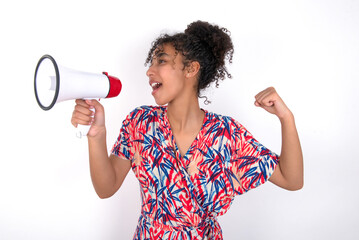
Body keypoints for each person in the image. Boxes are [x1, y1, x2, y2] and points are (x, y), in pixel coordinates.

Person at [71, 21, 303, 240]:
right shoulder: (140, 123)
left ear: (191, 69)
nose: (149, 71)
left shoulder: (225, 133)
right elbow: (105, 188)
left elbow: (292, 180)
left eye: (161, 61)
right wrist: (96, 135)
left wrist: (286, 117)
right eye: (150, 63)